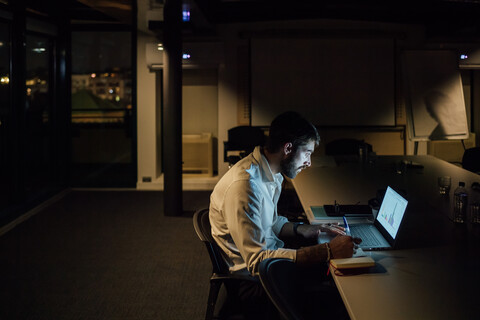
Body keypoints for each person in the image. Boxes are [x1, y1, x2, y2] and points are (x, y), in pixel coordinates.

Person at [209, 111, 361, 319]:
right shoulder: (245, 187)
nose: (309, 162)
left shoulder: (271, 172)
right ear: (288, 148)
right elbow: (257, 261)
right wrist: (326, 250)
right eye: (307, 153)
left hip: (271, 261)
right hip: (258, 281)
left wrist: (308, 229)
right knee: (340, 285)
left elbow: (270, 223)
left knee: (342, 267)